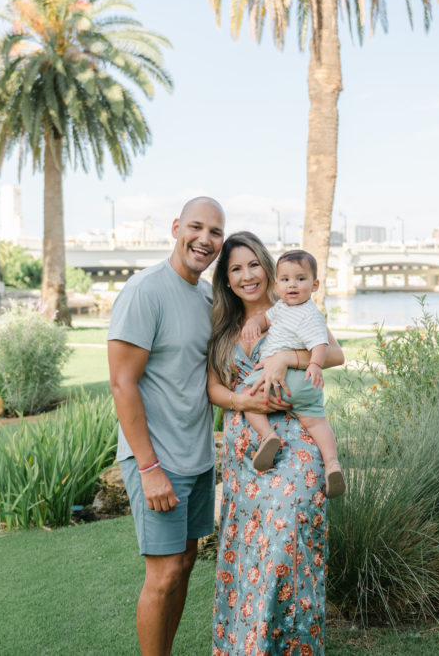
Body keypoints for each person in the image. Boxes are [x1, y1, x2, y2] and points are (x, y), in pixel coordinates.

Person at [207, 231, 345, 655]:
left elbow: (335, 355)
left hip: (296, 440)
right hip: (245, 448)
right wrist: (241, 399)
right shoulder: (222, 327)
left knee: (288, 538)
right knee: (250, 550)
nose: (247, 276)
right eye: (235, 269)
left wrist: (286, 357)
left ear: (268, 268)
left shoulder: (292, 309)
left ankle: (290, 647)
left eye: (253, 265)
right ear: (227, 280)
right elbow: (213, 387)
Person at [107, 196, 225, 656]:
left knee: (186, 563)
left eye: (215, 232)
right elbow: (122, 384)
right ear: (177, 227)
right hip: (157, 459)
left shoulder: (206, 295)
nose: (205, 239)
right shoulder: (145, 290)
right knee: (163, 573)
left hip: (197, 458)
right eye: (196, 227)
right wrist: (149, 466)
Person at [239, 249, 345, 498]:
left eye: (300, 279)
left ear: (315, 284)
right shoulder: (286, 309)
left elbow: (323, 346)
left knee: (248, 398)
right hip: (304, 384)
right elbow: (265, 319)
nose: (292, 285)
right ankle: (332, 464)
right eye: (285, 280)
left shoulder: (308, 314)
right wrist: (255, 322)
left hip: (275, 378)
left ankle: (268, 436)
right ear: (277, 284)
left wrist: (315, 364)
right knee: (317, 422)